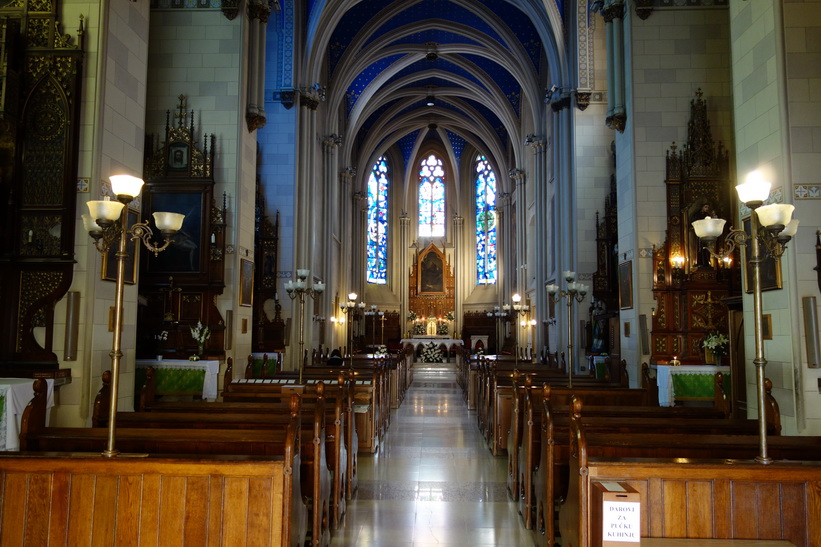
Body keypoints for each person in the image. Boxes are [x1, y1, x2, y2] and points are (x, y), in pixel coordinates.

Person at [690, 202, 715, 268]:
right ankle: (700, 262)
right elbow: (693, 223)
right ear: (702, 207)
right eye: (705, 207)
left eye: (707, 207)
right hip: (700, 234)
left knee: (707, 249)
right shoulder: (697, 214)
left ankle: (707, 262)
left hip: (707, 234)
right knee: (700, 248)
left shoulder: (708, 215)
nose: (707, 209)